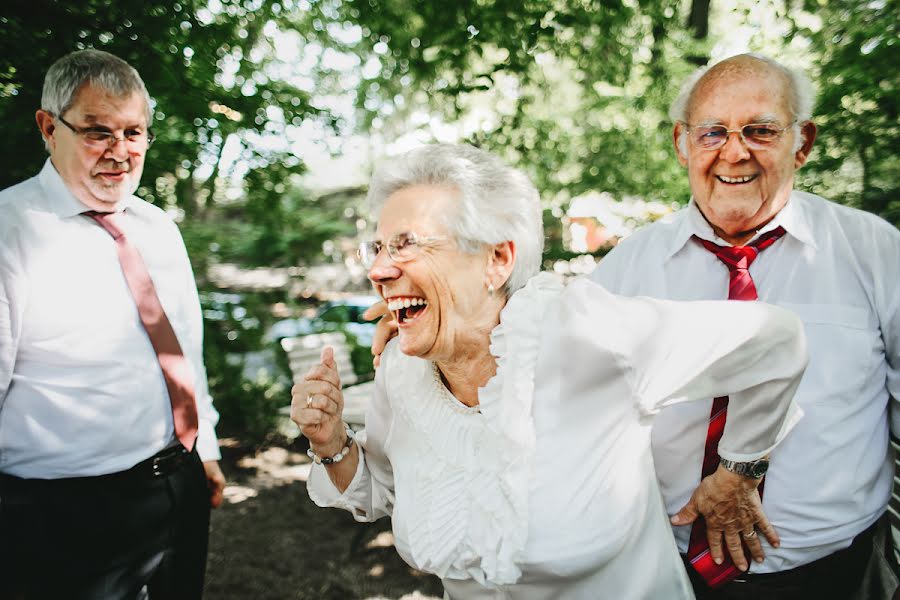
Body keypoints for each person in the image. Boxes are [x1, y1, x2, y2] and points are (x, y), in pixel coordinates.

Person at [292, 143, 808, 599]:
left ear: (497, 259)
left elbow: (778, 339)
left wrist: (740, 469)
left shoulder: (588, 332)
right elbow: (384, 489)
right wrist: (330, 440)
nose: (378, 270)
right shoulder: (403, 371)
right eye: (378, 248)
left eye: (408, 245)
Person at [590, 53, 900, 599]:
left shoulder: (873, 251)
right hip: (663, 574)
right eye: (712, 132)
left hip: (839, 575)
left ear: (801, 143)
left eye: (760, 130)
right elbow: (570, 399)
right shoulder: (626, 268)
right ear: (682, 143)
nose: (734, 152)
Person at [0, 49, 225, 599]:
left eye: (134, 132)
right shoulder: (9, 231)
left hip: (178, 485)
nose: (121, 152)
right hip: (60, 512)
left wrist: (208, 451)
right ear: (48, 127)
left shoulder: (157, 228)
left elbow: (185, 352)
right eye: (98, 132)